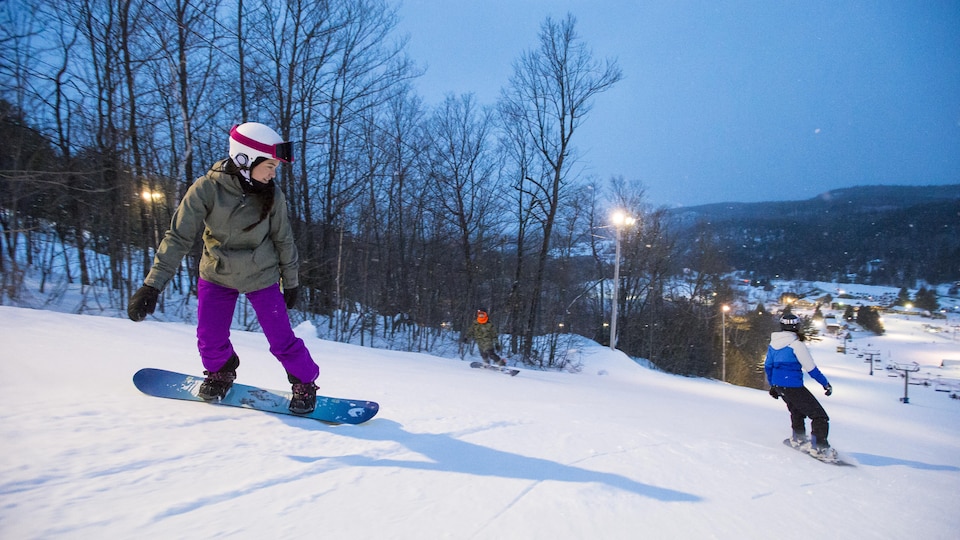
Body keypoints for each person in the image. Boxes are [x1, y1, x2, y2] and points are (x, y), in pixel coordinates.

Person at [127, 122, 320, 414]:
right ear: (245, 160)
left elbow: (284, 240)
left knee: (282, 340)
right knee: (210, 337)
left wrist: (290, 281)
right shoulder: (207, 189)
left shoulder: (273, 195)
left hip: (262, 275)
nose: (273, 173)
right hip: (217, 274)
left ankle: (305, 383)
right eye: (270, 166)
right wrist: (152, 285)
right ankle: (220, 372)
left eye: (276, 168)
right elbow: (178, 237)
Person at [765, 312, 836, 459]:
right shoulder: (796, 345)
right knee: (819, 416)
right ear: (797, 326)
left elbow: (768, 366)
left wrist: (773, 386)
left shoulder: (773, 344)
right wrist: (825, 384)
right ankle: (819, 448)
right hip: (793, 385)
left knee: (797, 411)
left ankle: (798, 438)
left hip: (780, 385)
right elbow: (811, 368)